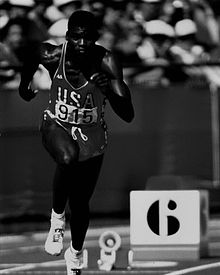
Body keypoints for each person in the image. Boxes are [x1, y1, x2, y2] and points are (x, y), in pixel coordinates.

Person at [18, 10, 134, 275]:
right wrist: (26, 86)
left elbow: (128, 114)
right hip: (56, 123)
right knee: (67, 158)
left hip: (92, 135)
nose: (82, 45)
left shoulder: (107, 62)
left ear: (96, 38)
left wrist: (106, 89)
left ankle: (76, 255)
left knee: (81, 203)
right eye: (77, 38)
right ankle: (57, 220)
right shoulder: (51, 55)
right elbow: (31, 60)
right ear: (68, 36)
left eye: (88, 39)